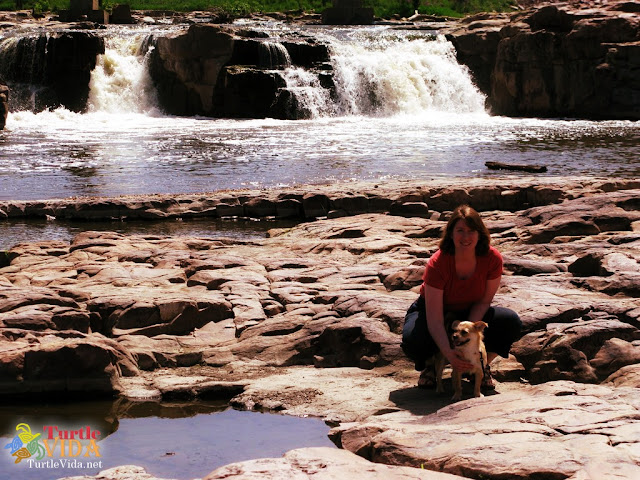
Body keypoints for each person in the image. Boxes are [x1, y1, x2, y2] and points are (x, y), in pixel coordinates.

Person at [401, 204, 522, 390]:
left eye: (471, 231)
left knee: (510, 322)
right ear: (450, 233)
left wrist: (468, 331)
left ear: (480, 233)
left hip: (471, 311)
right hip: (435, 310)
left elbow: (484, 301)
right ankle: (431, 366)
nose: (465, 237)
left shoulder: (492, 258)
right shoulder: (438, 262)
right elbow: (434, 320)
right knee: (412, 338)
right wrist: (450, 354)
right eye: (460, 231)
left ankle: (478, 366)